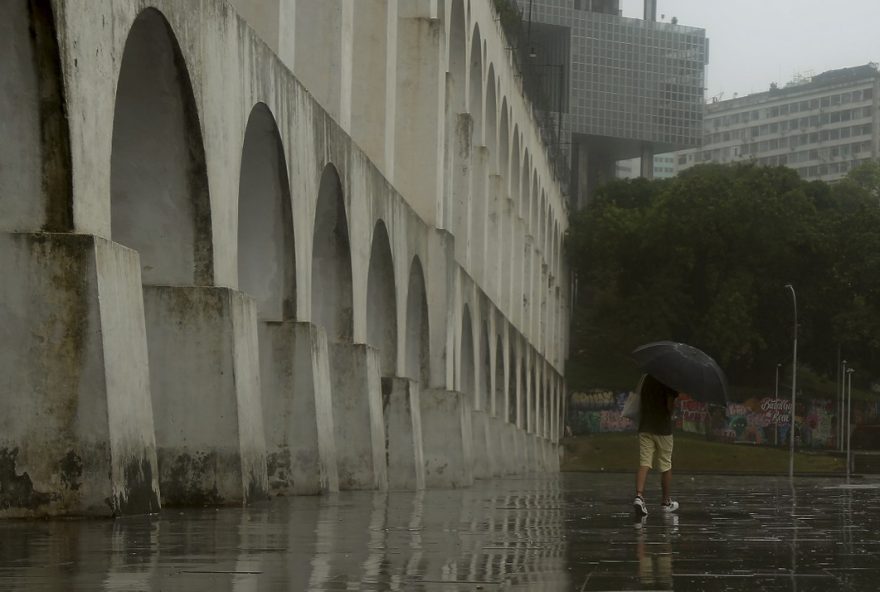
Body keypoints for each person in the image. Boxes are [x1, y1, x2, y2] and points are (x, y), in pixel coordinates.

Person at [633, 374, 680, 517]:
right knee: (665, 464)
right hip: (662, 429)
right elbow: (669, 407)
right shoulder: (669, 380)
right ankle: (666, 502)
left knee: (644, 462)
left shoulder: (646, 378)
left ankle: (639, 496)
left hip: (645, 426)